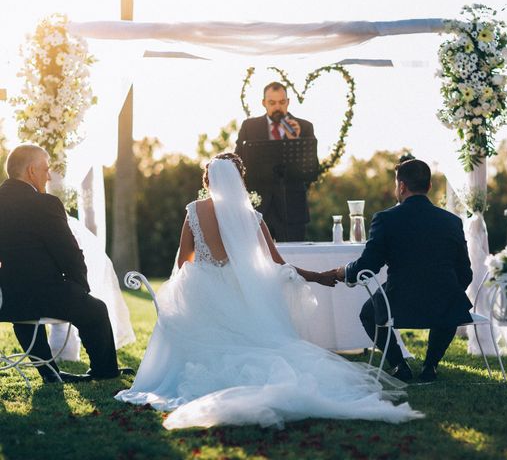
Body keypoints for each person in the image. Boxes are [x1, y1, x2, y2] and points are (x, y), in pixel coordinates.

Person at [115, 153, 423, 429]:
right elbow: (279, 265)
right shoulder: (252, 218)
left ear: (207, 181)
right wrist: (318, 276)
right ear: (238, 182)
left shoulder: (194, 210)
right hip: (242, 293)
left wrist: (197, 276)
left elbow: (184, 261)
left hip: (202, 289)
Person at [0, 144, 133, 383]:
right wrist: (79, 288)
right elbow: (69, 254)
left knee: (24, 313)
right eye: (45, 169)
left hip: (8, 297)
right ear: (31, 171)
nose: (48, 175)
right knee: (96, 310)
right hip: (45, 292)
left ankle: (50, 373)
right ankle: (105, 371)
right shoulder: (44, 204)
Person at [333, 158, 473, 383]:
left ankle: (399, 364)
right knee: (452, 298)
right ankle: (430, 366)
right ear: (428, 187)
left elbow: (369, 265)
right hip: (443, 305)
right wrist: (447, 291)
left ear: (401, 186)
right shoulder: (452, 221)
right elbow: (465, 273)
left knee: (368, 313)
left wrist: (346, 271)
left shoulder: (385, 219)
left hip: (399, 303)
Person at [235, 82, 316, 242]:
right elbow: (238, 164)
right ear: (264, 103)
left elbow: (312, 169)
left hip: (292, 209)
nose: (277, 107)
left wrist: (295, 141)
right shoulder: (249, 127)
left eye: (282, 102)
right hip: (257, 209)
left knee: (293, 260)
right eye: (272, 103)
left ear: (288, 102)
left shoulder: (304, 127)